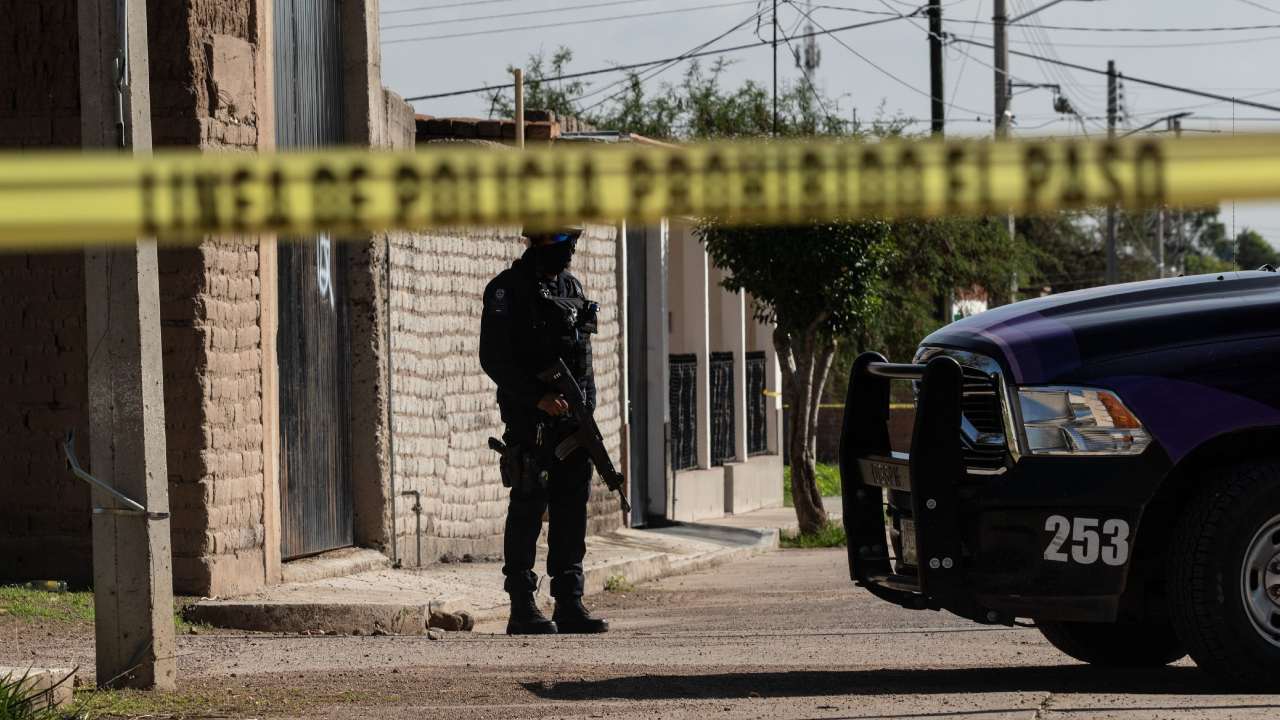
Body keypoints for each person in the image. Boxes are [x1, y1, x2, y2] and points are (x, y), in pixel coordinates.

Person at [478, 227, 610, 636]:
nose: (569, 250)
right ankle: (522, 605)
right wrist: (537, 397)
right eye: (560, 242)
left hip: (573, 418)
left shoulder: (571, 286)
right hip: (530, 418)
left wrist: (585, 408)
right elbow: (494, 359)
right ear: (536, 242)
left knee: (572, 506)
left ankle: (569, 601)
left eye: (572, 242)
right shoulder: (506, 290)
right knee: (529, 504)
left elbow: (581, 354)